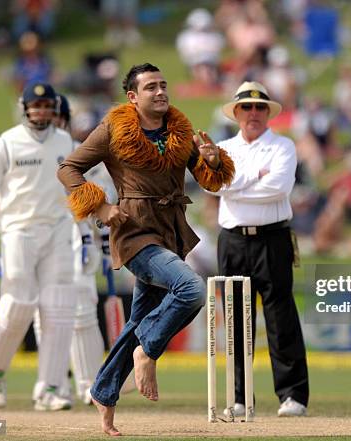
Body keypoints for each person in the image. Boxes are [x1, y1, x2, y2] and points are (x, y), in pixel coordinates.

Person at [57, 62, 234, 436]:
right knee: (191, 289)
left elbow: (210, 180)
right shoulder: (112, 129)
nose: (160, 91)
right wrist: (101, 206)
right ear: (133, 97)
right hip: (133, 231)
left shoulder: (181, 130)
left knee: (138, 321)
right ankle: (147, 351)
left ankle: (104, 395)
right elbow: (69, 169)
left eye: (163, 84)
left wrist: (213, 162)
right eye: (151, 86)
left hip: (171, 230)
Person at [0, 82, 78, 411]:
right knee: (18, 303)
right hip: (18, 229)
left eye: (47, 106)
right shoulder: (7, 143)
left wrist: (85, 233)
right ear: (24, 107)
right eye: (36, 105)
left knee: (59, 306)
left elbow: (76, 188)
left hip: (58, 228)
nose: (41, 111)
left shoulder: (65, 141)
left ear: (54, 108)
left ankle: (51, 388)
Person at [212, 81, 309, 417]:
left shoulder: (282, 146)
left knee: (280, 318)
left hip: (272, 237)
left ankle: (292, 395)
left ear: (267, 112)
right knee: (238, 320)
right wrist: (254, 176)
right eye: (246, 107)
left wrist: (234, 185)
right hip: (233, 239)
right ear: (236, 112)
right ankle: (240, 397)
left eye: (259, 107)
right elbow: (214, 186)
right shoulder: (223, 148)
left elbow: (278, 188)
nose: (253, 113)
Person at [32, 94, 116, 406]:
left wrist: (104, 244)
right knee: (48, 316)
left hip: (82, 245)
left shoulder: (97, 164)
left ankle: (88, 384)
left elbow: (104, 206)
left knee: (82, 311)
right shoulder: (41, 154)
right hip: (45, 243)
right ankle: (52, 386)